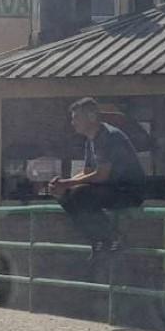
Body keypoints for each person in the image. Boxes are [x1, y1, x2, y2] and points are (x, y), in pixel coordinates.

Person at [48, 98, 145, 262]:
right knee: (67, 196)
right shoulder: (91, 140)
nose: (73, 122)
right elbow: (87, 171)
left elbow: (101, 175)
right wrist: (63, 185)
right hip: (110, 189)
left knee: (81, 194)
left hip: (129, 191)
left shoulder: (109, 136)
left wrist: (68, 184)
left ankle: (113, 238)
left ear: (91, 117)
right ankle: (98, 241)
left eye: (76, 118)